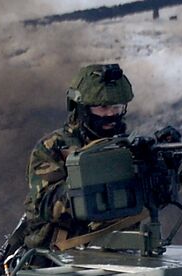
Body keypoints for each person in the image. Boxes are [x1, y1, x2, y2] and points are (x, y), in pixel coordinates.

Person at [22, 63, 137, 250]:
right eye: (102, 107)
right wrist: (106, 179)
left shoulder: (128, 146)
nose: (111, 114)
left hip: (122, 250)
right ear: (81, 107)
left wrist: (164, 169)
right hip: (63, 254)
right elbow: (46, 204)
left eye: (116, 107)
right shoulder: (53, 147)